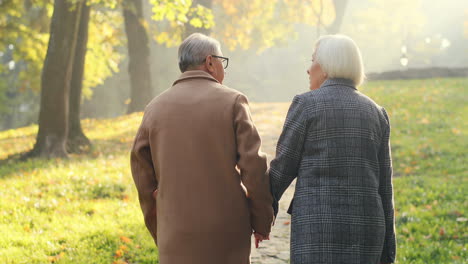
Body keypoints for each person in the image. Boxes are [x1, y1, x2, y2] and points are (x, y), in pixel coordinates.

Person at [130, 33, 274, 264]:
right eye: (222, 62)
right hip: (227, 232)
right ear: (209, 62)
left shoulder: (154, 109)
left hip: (175, 231)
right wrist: (261, 222)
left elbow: (142, 175)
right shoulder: (234, 102)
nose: (223, 70)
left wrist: (160, 228)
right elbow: (254, 169)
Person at [269, 34, 396, 264]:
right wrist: (388, 251)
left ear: (326, 67)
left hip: (316, 230)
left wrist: (260, 215)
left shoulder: (306, 105)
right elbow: (385, 188)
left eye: (312, 61)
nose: (309, 69)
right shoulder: (377, 113)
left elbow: (281, 170)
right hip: (367, 230)